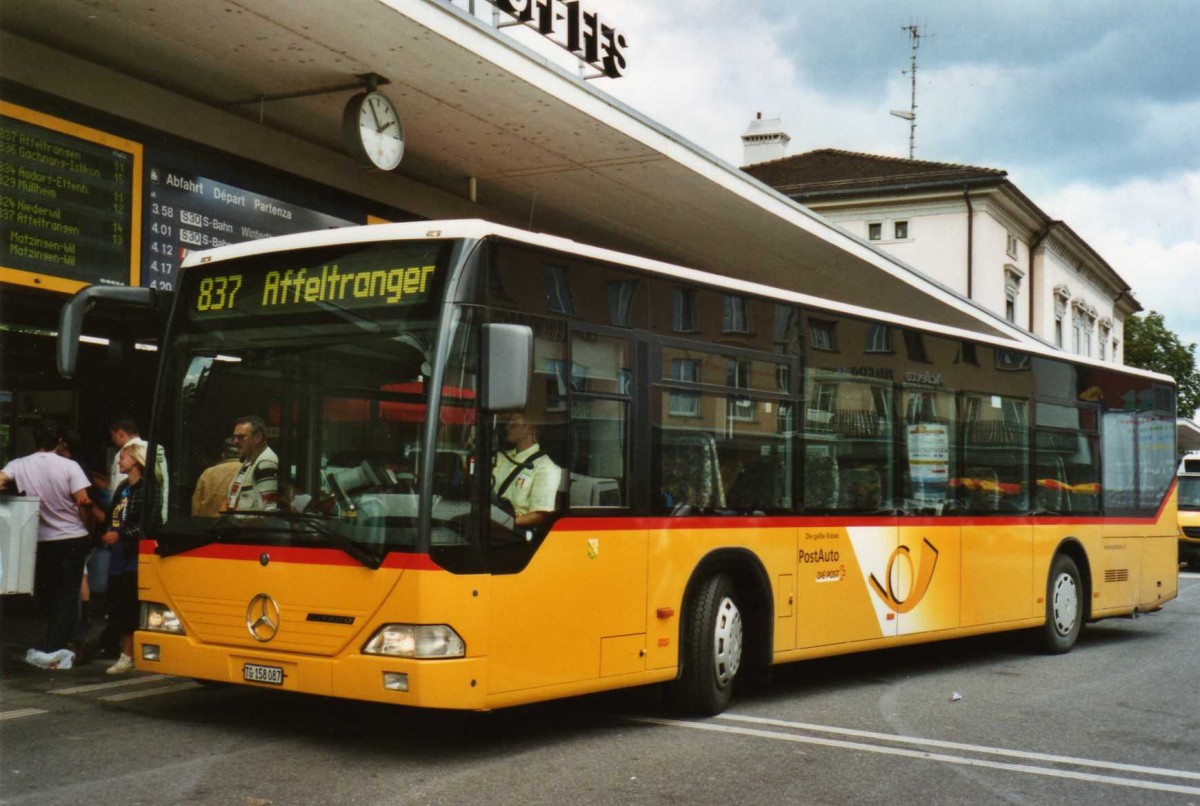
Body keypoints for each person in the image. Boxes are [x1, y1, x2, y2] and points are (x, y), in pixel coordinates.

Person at [0, 418, 95, 657]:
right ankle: (63, 642)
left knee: (49, 592)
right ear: (59, 441)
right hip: (73, 537)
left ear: (35, 440)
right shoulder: (69, 466)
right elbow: (83, 500)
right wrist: (90, 528)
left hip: (41, 540)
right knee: (68, 592)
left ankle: (55, 639)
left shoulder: (18, 464)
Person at [100, 441, 147, 674]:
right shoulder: (122, 488)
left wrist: (120, 536)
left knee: (129, 605)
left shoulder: (146, 489)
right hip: (118, 555)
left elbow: (147, 525)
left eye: (123, 457)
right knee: (118, 603)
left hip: (134, 556)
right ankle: (125, 653)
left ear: (136, 460)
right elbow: (112, 516)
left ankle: (127, 655)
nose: (119, 461)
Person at [491, 412, 562, 528]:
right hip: (490, 521)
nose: (507, 427)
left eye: (514, 423)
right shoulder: (501, 457)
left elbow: (538, 516)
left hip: (515, 531)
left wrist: (503, 523)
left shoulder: (546, 467)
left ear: (529, 428)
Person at [109, 417, 169, 522]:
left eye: (112, 436)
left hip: (126, 522)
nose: (112, 440)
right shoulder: (154, 448)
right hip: (158, 517)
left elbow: (122, 491)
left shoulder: (127, 452)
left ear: (120, 434)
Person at [225, 415, 280, 512]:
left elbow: (269, 510)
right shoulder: (249, 461)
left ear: (257, 437)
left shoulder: (265, 463)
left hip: (252, 527)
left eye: (241, 437)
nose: (235, 441)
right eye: (235, 437)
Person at [192, 438, 242, 517]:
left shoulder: (208, 473)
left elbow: (196, 509)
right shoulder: (249, 470)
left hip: (209, 525)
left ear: (223, 454)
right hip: (238, 526)